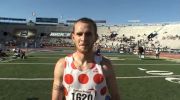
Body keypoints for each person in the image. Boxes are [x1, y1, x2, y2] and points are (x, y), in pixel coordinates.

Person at [52, 17, 120, 100]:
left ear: (95, 37)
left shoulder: (105, 66)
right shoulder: (62, 65)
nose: (83, 39)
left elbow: (115, 96)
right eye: (79, 34)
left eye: (88, 34)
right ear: (73, 37)